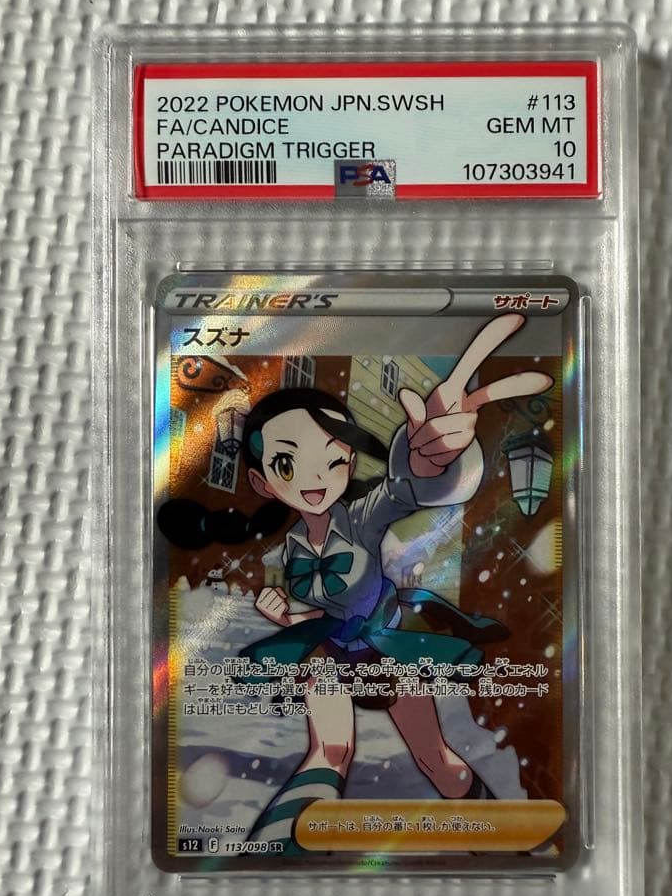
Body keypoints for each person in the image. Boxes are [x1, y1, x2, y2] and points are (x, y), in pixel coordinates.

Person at [158, 312, 552, 854]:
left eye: (330, 459)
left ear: (346, 458)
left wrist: (425, 458)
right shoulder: (295, 546)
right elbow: (316, 611)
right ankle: (278, 852)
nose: (313, 479)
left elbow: (401, 490)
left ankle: (503, 840)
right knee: (329, 751)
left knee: (435, 758)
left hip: (387, 647)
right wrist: (283, 614)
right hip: (330, 653)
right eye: (287, 464)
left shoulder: (361, 517)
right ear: (263, 481)